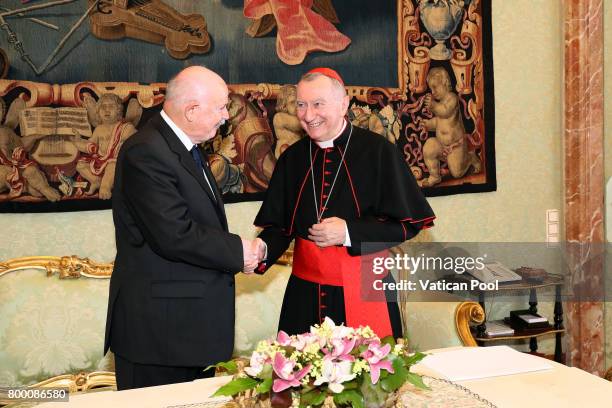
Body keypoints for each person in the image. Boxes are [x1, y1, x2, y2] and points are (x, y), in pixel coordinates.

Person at [104, 66, 265, 390]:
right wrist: (239, 251)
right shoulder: (146, 151)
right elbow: (173, 234)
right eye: (220, 107)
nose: (225, 117)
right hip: (158, 336)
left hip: (188, 332)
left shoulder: (186, 149)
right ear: (191, 110)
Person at [254, 68, 435, 339]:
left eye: (318, 104)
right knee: (300, 376)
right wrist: (261, 248)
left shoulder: (378, 152)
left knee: (368, 377)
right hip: (304, 295)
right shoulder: (292, 159)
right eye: (301, 105)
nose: (308, 114)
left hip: (364, 285)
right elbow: (280, 226)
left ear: (343, 104)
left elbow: (407, 226)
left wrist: (349, 232)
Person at [71, 93, 139, 199]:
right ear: (98, 111)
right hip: (100, 160)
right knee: (80, 165)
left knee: (112, 165)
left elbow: (137, 142)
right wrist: (78, 141)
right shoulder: (99, 129)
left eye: (111, 107)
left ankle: (105, 187)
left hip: (116, 162)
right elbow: (91, 144)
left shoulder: (126, 127)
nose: (107, 110)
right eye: (103, 107)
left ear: (118, 111)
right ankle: (96, 181)